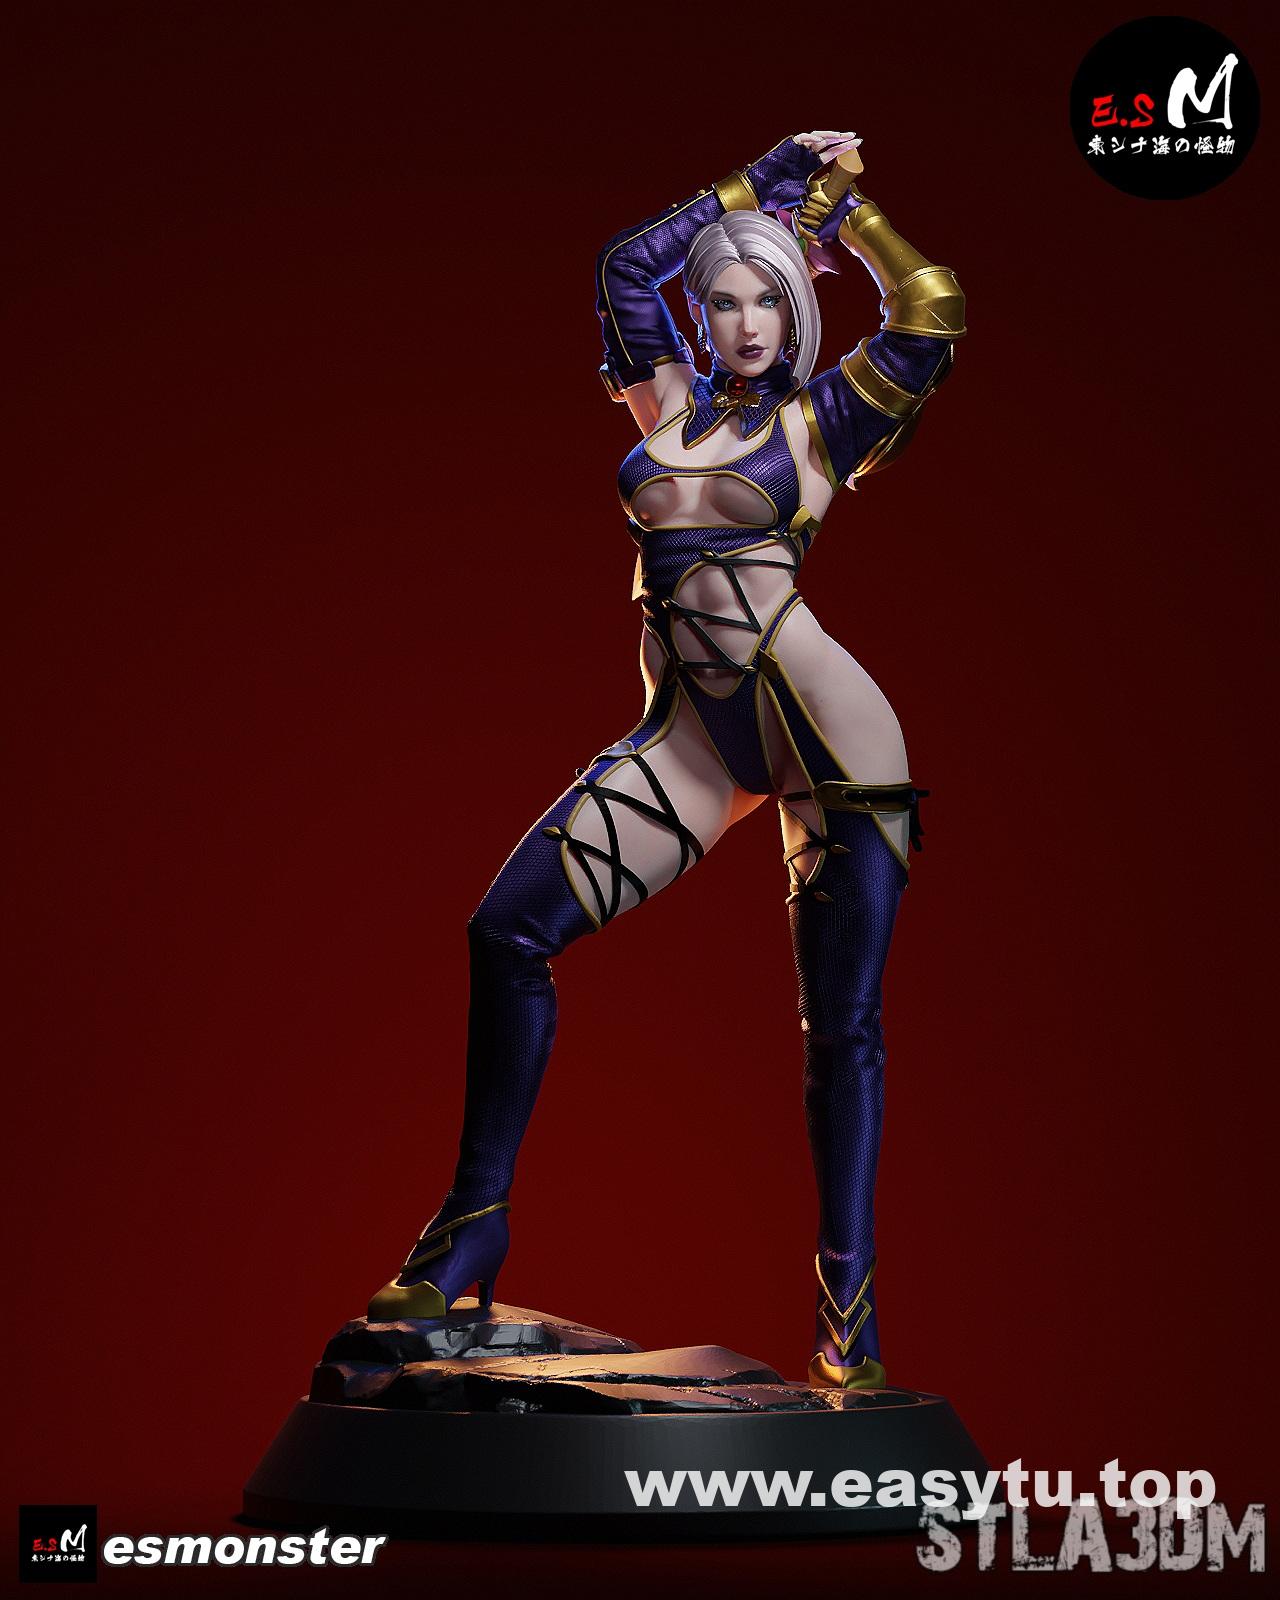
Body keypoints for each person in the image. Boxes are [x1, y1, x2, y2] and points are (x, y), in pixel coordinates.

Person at [367, 131, 966, 1388]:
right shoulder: (666, 404)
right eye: (723, 299)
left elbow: (930, 308)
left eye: (766, 300)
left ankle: (846, 1319)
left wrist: (843, 217)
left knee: (839, 1028)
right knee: (506, 931)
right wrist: (763, 177)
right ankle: (472, 1228)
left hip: (827, 739)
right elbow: (621, 268)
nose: (742, 322)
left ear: (794, 312)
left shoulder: (822, 421)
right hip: (691, 734)